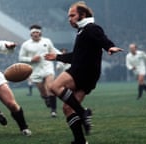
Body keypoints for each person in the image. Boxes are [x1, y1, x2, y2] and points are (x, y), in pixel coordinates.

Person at [44, 2, 123, 144]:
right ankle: (80, 141)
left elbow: (102, 38)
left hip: (81, 71)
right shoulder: (82, 31)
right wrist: (57, 57)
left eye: (72, 15)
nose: (69, 19)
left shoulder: (90, 28)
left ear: (83, 15)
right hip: (90, 75)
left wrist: (110, 47)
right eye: (68, 16)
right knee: (68, 108)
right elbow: (76, 56)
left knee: (54, 87)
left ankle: (83, 112)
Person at [19, 24, 60, 118]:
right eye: (34, 32)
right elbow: (21, 58)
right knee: (43, 92)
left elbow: (53, 51)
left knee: (51, 88)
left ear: (40, 33)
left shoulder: (47, 41)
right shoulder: (26, 45)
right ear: (31, 34)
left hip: (47, 67)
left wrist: (61, 59)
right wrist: (31, 59)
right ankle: (46, 98)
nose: (35, 34)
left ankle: (53, 111)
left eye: (37, 32)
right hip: (35, 71)